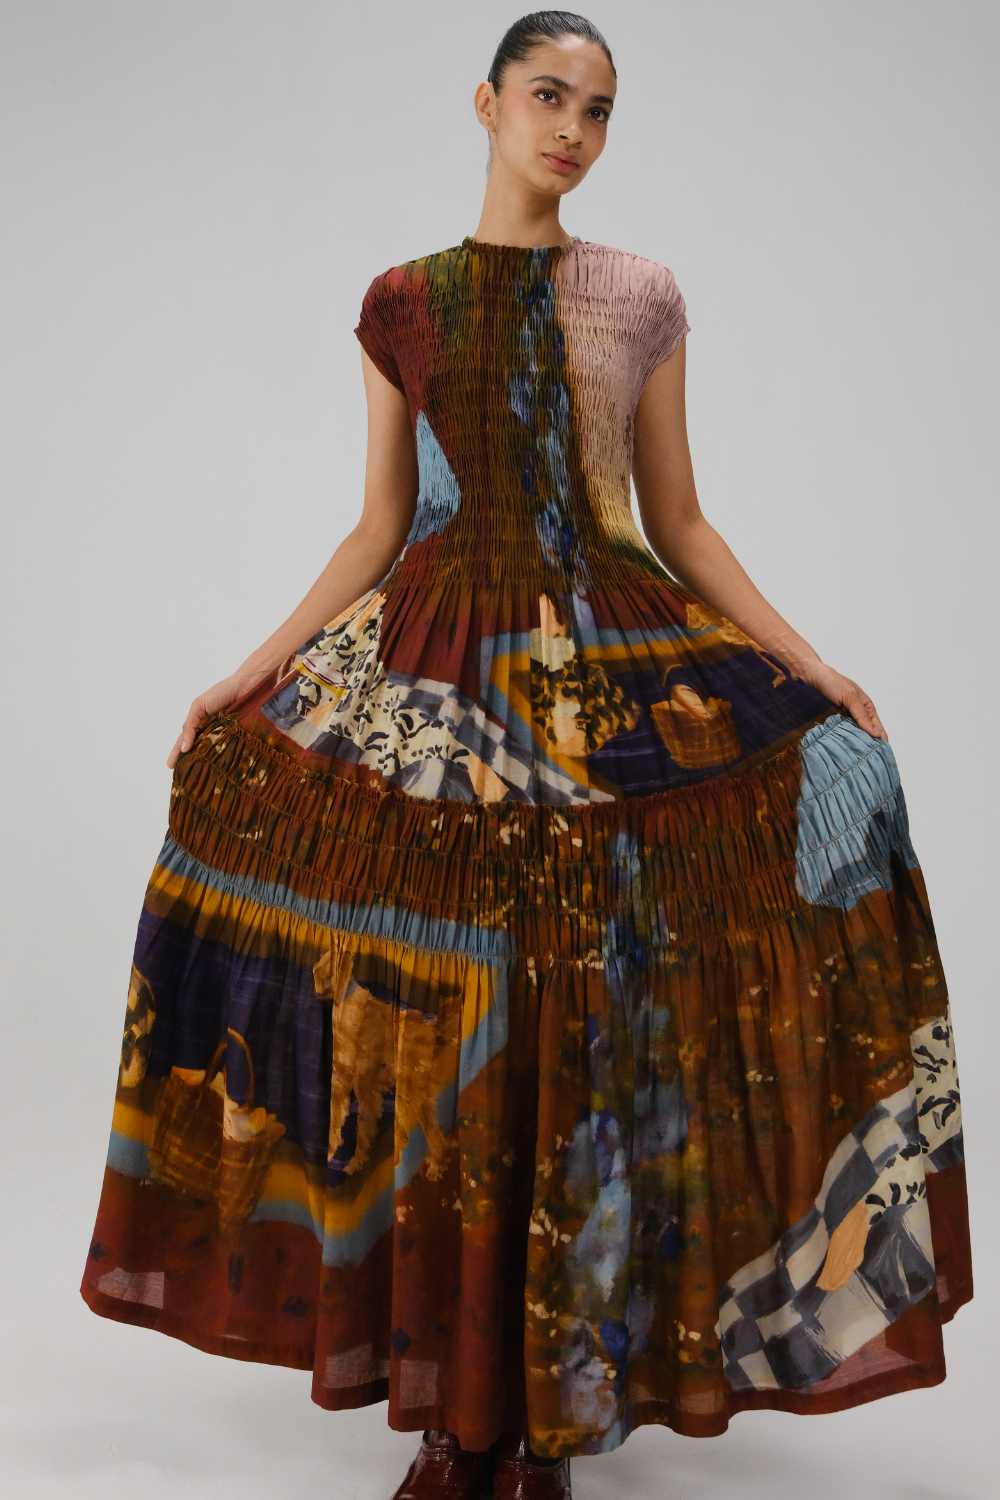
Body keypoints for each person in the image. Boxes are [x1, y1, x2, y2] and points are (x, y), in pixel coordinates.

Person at [81, 11, 972, 1499]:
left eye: (600, 108)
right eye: (549, 96)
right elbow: (382, 525)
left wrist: (813, 667)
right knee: (458, 1033)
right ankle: (457, 1413)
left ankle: (549, 1413)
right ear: (486, 103)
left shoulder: (640, 296)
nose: (573, 128)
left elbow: (676, 521)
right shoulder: (402, 301)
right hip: (442, 673)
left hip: (603, 673)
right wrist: (249, 672)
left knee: (584, 1021)